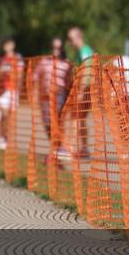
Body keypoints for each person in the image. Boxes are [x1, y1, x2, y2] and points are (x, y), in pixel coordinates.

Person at [32, 37, 73, 157]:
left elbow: (70, 80)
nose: (56, 50)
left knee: (57, 121)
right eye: (54, 47)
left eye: (59, 48)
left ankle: (60, 147)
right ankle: (55, 146)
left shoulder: (66, 63)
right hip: (45, 97)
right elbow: (34, 76)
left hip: (59, 95)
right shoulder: (44, 62)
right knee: (47, 123)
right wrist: (33, 92)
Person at [67, 26, 95, 158]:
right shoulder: (82, 51)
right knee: (81, 119)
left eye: (71, 39)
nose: (70, 42)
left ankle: (70, 149)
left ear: (78, 37)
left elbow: (87, 70)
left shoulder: (84, 51)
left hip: (85, 89)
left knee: (75, 119)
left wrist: (81, 90)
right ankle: (85, 149)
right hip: (86, 88)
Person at [0, 38, 24, 151]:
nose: (7, 46)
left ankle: (7, 139)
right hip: (3, 91)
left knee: (10, 117)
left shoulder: (17, 58)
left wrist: (11, 74)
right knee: (4, 115)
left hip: (13, 91)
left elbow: (20, 75)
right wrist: (1, 72)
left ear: (13, 45)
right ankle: (3, 138)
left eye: (8, 44)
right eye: (5, 45)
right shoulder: (2, 60)